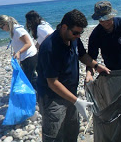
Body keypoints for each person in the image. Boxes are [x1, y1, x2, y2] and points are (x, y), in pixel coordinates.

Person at [37, 9, 110, 142]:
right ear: (64, 27)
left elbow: (82, 55)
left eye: (81, 33)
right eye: (76, 32)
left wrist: (96, 66)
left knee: (72, 129)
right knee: (54, 135)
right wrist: (76, 101)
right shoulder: (50, 48)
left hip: (71, 93)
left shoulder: (73, 38)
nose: (78, 36)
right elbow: (52, 82)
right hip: (52, 97)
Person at [85, 1, 121, 82]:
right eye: (101, 20)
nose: (105, 23)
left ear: (112, 16)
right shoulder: (95, 35)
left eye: (107, 19)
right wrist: (89, 75)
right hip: (111, 73)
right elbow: (91, 60)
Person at [0, 15, 38, 88]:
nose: (2, 29)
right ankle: (38, 94)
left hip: (30, 57)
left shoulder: (18, 30)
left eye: (1, 27)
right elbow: (19, 43)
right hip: (25, 57)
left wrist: (19, 52)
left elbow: (28, 43)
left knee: (29, 79)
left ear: (6, 24)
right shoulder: (13, 31)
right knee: (29, 77)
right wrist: (16, 52)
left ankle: (42, 96)